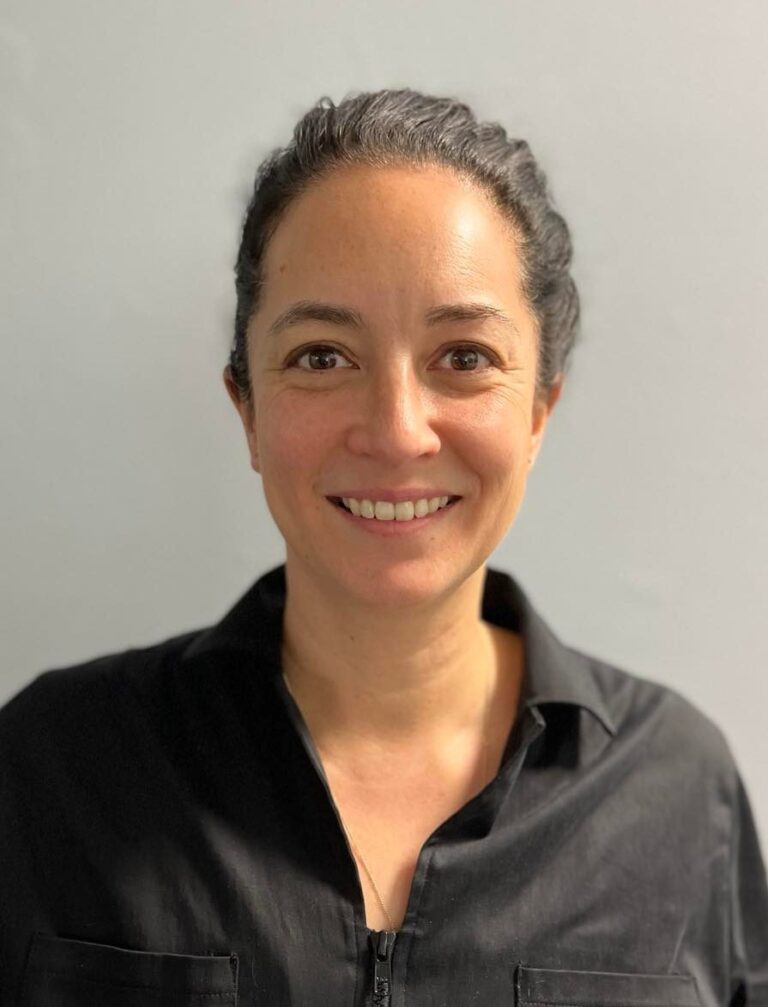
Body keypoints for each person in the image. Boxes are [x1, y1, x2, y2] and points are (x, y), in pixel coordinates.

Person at [1, 88, 766, 1007]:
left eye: (464, 356)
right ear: (247, 408)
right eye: (323, 355)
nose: (398, 432)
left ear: (538, 414)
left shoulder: (676, 790)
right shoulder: (58, 767)